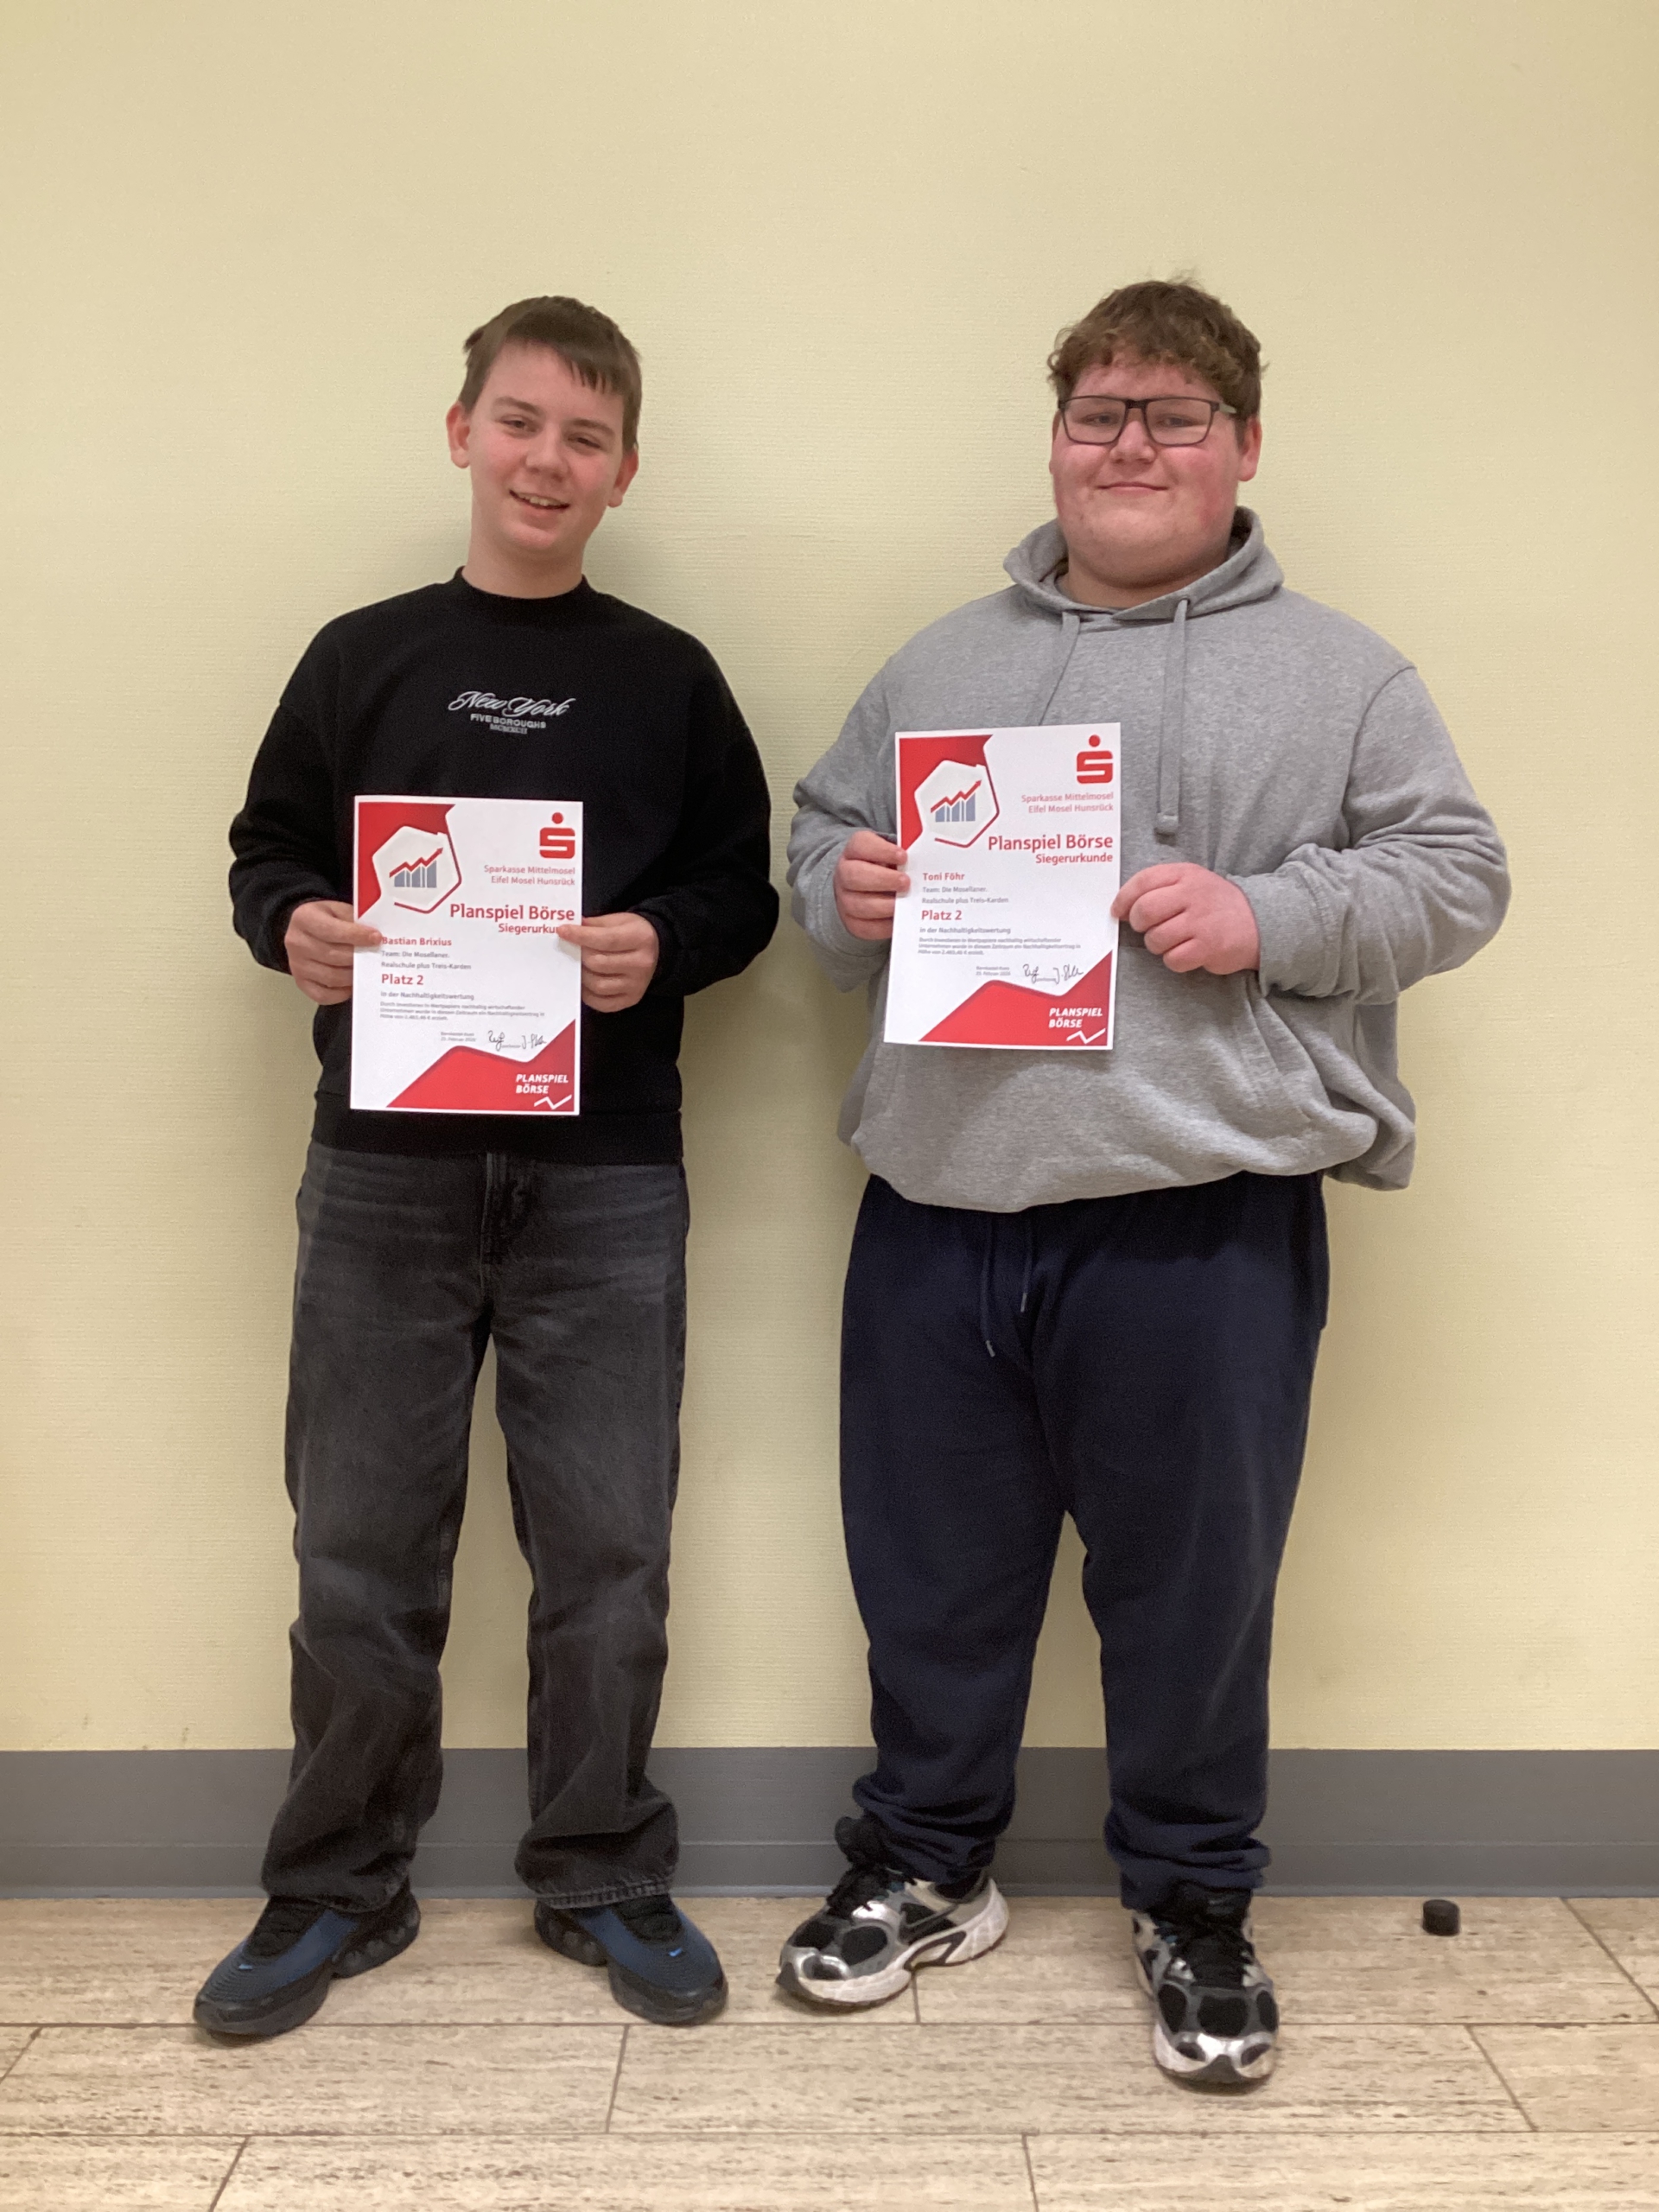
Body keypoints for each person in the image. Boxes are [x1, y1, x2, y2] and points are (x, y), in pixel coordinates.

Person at [782, 280, 1508, 2084]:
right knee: (929, 1578)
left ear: (1242, 446)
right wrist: (844, 893)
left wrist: (1271, 914)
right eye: (1099, 411)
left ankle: (1193, 1902)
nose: (1130, 444)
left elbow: (1459, 873)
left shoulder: (1345, 673)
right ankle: (926, 1862)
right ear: (1056, 440)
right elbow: (821, 836)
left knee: (1192, 1595)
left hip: (1202, 1213)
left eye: (1174, 416)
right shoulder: (938, 663)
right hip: (940, 1202)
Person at [197, 296, 777, 2040]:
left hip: (606, 1178)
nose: (547, 459)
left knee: (609, 1551)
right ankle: (335, 1882)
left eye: (585, 436)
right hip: (384, 1168)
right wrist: (294, 924)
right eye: (520, 421)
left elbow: (743, 890)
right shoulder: (360, 657)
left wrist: (661, 947)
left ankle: (597, 1867)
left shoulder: (670, 677)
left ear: (624, 470)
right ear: (463, 433)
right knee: (357, 1550)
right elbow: (266, 854)